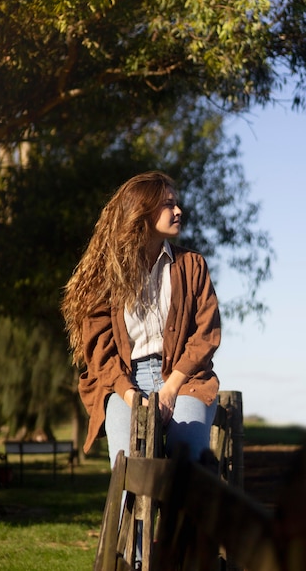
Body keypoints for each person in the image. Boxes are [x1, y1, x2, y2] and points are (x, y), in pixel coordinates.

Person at [61, 171, 221, 469]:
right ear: (143, 212)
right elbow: (100, 351)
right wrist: (132, 396)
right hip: (123, 382)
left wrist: (171, 388)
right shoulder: (106, 275)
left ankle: (183, 517)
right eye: (168, 204)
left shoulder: (192, 265)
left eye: (177, 204)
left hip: (184, 379)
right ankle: (129, 516)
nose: (178, 211)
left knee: (189, 462)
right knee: (128, 469)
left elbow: (205, 335)